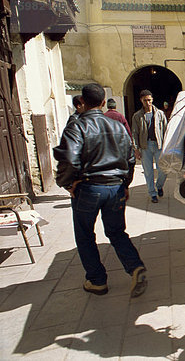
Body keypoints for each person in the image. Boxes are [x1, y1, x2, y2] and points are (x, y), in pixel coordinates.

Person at [53, 83, 147, 298]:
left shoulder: (77, 126)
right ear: (104, 102)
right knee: (116, 231)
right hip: (114, 188)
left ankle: (97, 280)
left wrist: (67, 183)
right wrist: (125, 184)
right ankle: (135, 267)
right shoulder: (117, 126)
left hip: (88, 187)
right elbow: (130, 158)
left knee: (85, 235)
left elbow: (69, 158)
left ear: (81, 103)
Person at [131, 90, 168, 203]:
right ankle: (152, 193)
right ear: (141, 100)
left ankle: (159, 185)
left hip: (158, 145)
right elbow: (134, 133)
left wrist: (167, 145)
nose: (148, 103)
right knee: (148, 171)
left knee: (163, 169)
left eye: (149, 100)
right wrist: (136, 149)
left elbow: (166, 130)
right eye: (145, 100)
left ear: (152, 100)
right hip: (145, 146)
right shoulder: (137, 116)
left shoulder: (160, 113)